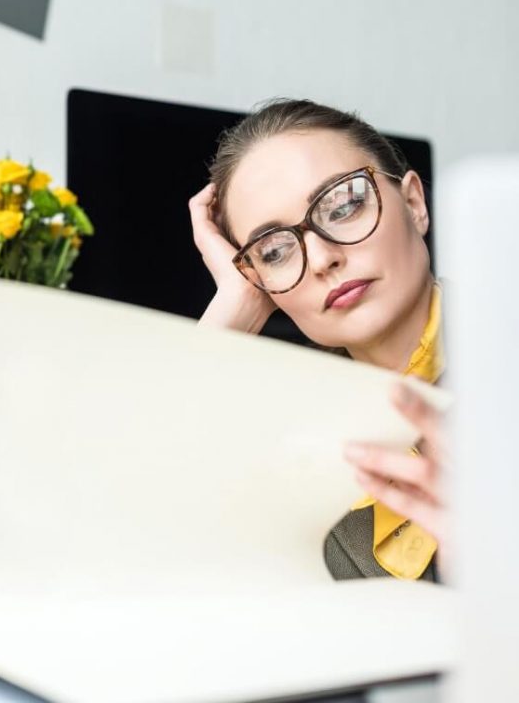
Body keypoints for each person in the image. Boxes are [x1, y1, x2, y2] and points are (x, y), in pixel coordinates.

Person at [189, 99, 449, 581]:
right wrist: (230, 313)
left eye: (345, 204)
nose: (322, 257)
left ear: (413, 204)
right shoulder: (296, 450)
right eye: (275, 250)